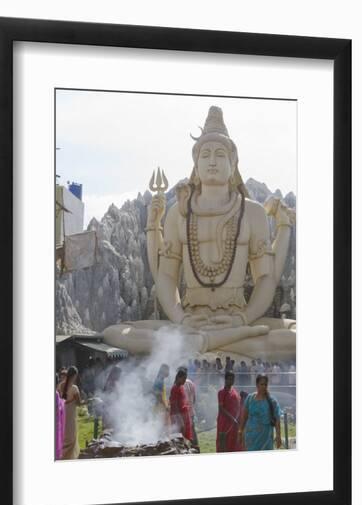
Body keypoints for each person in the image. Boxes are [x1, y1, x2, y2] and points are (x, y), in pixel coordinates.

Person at [103, 106, 296, 361]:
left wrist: (242, 318)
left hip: (237, 319)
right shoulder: (177, 213)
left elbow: (266, 279)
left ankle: (203, 343)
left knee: (301, 335)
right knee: (114, 333)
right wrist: (181, 318)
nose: (212, 161)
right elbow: (166, 277)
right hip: (190, 321)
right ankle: (218, 343)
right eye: (205, 155)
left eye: (220, 154)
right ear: (196, 163)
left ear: (233, 162)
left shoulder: (252, 213)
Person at [238, 374, 282, 451]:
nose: (264, 386)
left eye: (265, 384)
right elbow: (244, 417)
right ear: (257, 384)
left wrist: (278, 435)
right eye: (262, 384)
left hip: (265, 438)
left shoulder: (272, 401)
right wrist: (240, 430)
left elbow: (277, 420)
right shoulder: (250, 398)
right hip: (250, 438)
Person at [216, 371, 241, 452]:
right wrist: (232, 418)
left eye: (233, 379)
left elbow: (238, 405)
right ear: (225, 380)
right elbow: (221, 408)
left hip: (234, 421)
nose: (232, 381)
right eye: (230, 379)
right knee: (224, 441)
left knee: (234, 441)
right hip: (224, 422)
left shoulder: (235, 392)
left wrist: (237, 418)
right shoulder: (221, 393)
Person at [61, 366, 82, 460]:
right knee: (71, 437)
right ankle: (69, 457)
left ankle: (62, 454)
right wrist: (91, 400)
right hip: (71, 414)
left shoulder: (60, 385)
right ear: (74, 376)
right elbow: (79, 403)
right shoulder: (74, 388)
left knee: (64, 435)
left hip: (62, 412)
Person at [169, 368, 193, 441]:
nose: (185, 381)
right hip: (178, 417)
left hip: (184, 415)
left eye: (185, 379)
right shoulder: (175, 388)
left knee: (186, 437)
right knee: (179, 437)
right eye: (183, 378)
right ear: (179, 377)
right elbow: (174, 405)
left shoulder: (181, 387)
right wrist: (180, 420)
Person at [182, 367, 199, 449]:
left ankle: (188, 448)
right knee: (193, 431)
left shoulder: (182, 384)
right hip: (191, 411)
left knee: (186, 431)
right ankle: (196, 447)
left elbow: (183, 400)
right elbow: (195, 398)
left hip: (185, 412)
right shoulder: (191, 383)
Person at [101, 365, 122, 431]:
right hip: (109, 410)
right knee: (109, 429)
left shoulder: (114, 382)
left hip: (112, 409)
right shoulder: (110, 383)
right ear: (115, 374)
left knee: (112, 429)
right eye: (119, 374)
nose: (119, 376)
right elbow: (108, 398)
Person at [55, 369, 67, 459]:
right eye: (61, 377)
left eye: (64, 377)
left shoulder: (70, 386)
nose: (62, 378)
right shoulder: (56, 392)